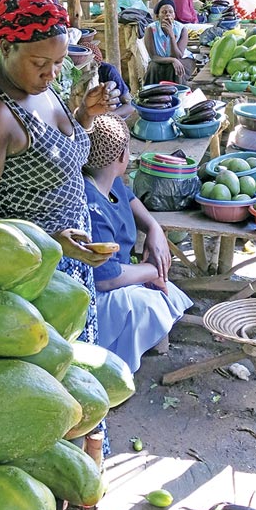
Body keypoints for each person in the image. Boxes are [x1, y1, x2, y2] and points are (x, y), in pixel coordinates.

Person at [0, 0, 120, 349]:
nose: (51, 74)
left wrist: (85, 115)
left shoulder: (39, 88)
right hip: (31, 276)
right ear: (7, 48)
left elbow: (55, 159)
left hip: (67, 263)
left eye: (58, 62)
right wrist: (49, 240)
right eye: (40, 63)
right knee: (49, 368)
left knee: (77, 368)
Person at [83, 115, 192, 372]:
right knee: (149, 305)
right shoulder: (92, 203)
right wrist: (154, 270)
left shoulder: (109, 182)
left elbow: (131, 200)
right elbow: (106, 279)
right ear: (122, 156)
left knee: (166, 293)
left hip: (119, 275)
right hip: (98, 294)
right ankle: (113, 370)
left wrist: (154, 228)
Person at [143, 0, 194, 85]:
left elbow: (178, 56)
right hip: (160, 59)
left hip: (183, 59)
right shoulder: (151, 29)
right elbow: (154, 57)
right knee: (153, 67)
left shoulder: (182, 29)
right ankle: (153, 92)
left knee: (175, 69)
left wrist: (171, 35)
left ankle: (177, 92)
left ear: (174, 15)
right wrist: (172, 60)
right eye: (164, 12)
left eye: (171, 12)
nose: (168, 14)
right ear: (157, 16)